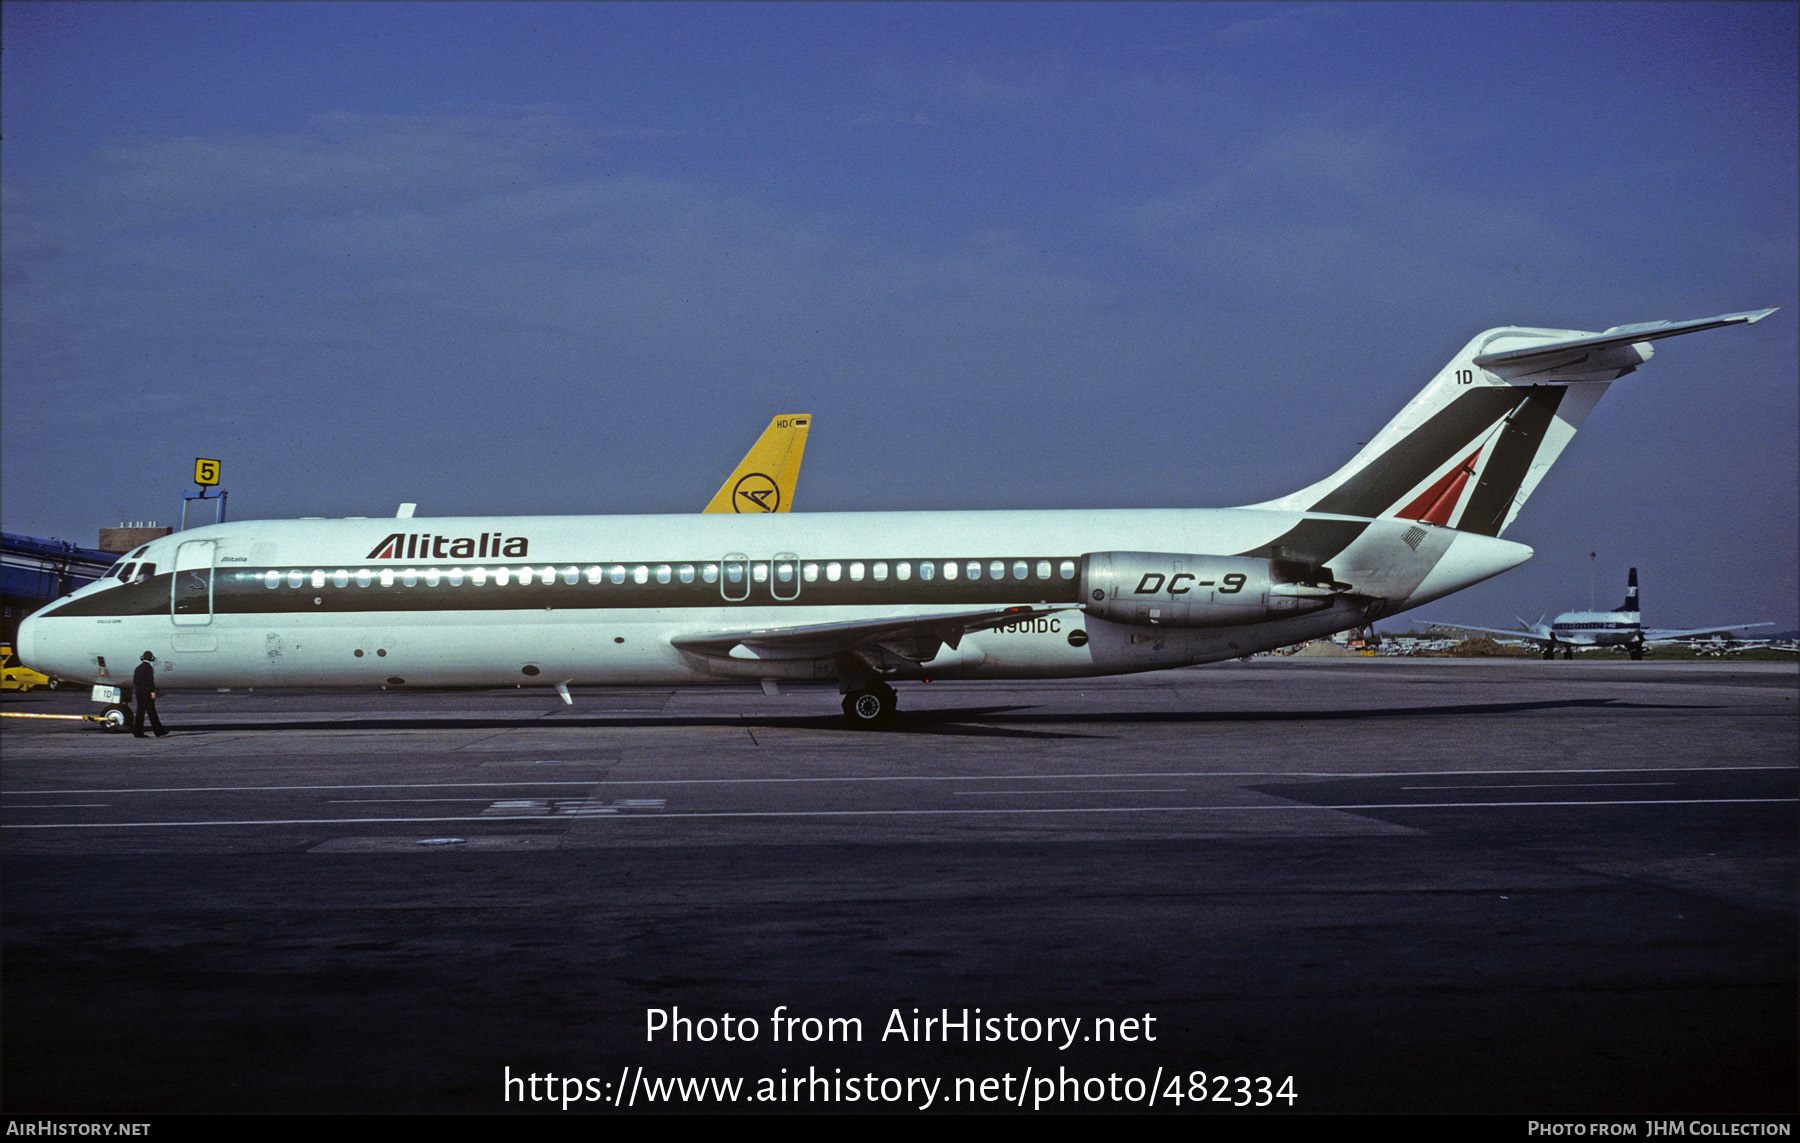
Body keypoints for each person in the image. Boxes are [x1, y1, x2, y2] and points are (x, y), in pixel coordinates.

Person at [132, 651, 169, 738]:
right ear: (152, 658)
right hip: (147, 692)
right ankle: (158, 731)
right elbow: (149, 681)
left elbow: (135, 681)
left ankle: (137, 732)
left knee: (140, 712)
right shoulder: (148, 668)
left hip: (139, 691)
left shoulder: (138, 668)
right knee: (152, 712)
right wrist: (152, 691)